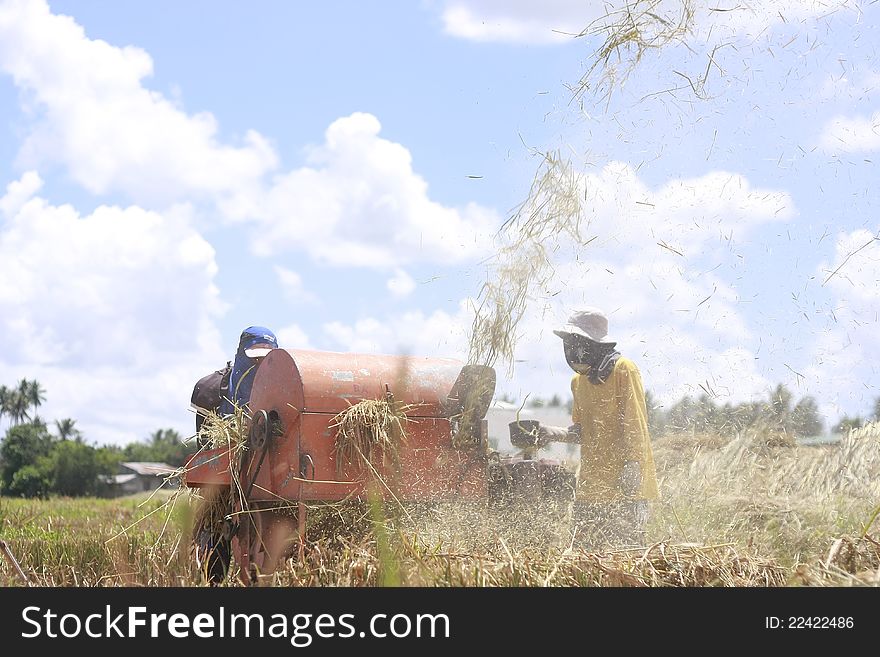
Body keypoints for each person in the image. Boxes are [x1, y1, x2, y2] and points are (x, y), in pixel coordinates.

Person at [537, 307, 659, 549]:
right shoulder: (578, 382)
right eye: (569, 342)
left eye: (577, 342)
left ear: (593, 343)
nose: (573, 349)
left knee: (626, 556)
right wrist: (551, 433)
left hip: (625, 484)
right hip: (590, 487)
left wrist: (634, 464)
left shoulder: (624, 369)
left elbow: (635, 423)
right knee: (585, 556)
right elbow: (583, 431)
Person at [190, 326, 278, 444]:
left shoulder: (284, 393)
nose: (260, 365)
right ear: (240, 354)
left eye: (267, 360)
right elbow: (204, 448)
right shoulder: (212, 390)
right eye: (256, 358)